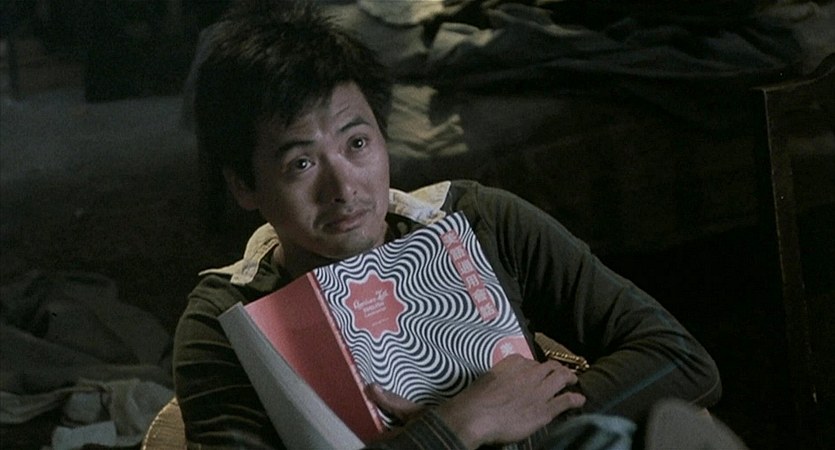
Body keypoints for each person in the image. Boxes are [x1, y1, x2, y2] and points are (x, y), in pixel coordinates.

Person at [172, 1, 724, 449]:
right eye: (301, 164)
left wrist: (525, 425)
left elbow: (680, 358)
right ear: (243, 185)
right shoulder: (225, 318)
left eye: (357, 143)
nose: (344, 188)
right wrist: (461, 424)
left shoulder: (479, 219)